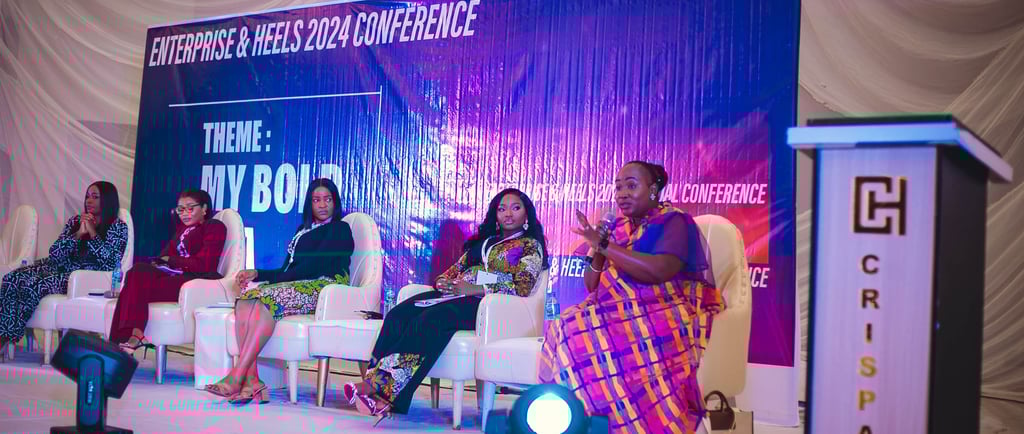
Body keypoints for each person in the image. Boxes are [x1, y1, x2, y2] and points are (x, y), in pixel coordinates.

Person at [539, 161, 723, 434]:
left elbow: (659, 271)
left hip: (663, 308)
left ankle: (620, 422)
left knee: (579, 332)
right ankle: (575, 420)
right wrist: (599, 247)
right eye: (618, 187)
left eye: (631, 186)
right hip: (616, 307)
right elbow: (591, 284)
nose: (622, 193)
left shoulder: (674, 221)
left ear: (653, 190)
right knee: (565, 324)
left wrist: (605, 245)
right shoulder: (617, 228)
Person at [344, 188, 550, 425]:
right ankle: (377, 392)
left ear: (526, 214)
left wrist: (476, 289)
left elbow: (522, 286)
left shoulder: (529, 245)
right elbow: (454, 271)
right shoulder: (484, 243)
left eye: (515, 208)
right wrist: (443, 282)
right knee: (399, 314)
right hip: (456, 295)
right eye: (502, 209)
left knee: (431, 319)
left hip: (488, 305)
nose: (508, 214)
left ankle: (377, 388)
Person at [204, 178, 355, 404]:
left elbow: (315, 266)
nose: (323, 205)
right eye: (317, 200)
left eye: (328, 199)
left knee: (266, 295)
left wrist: (272, 284)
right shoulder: (302, 230)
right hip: (296, 284)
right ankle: (253, 381)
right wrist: (257, 273)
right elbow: (287, 270)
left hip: (324, 287)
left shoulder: (340, 229)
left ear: (335, 202)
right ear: (309, 203)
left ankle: (237, 376)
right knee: (245, 299)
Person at [0, 182, 129, 353]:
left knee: (34, 284)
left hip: (82, 278)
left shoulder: (118, 227)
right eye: (87, 196)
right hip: (57, 267)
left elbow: (110, 262)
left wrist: (92, 233)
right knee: (12, 278)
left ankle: (5, 337)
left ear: (107, 200)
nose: (89, 201)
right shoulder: (76, 221)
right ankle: (4, 333)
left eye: (95, 197)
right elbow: (55, 253)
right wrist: (78, 234)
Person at [108, 188, 226, 351]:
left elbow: (205, 264)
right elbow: (164, 255)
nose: (184, 214)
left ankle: (120, 341)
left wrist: (171, 260)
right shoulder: (182, 229)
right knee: (138, 270)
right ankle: (134, 336)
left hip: (195, 281)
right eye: (180, 209)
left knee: (133, 288)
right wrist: (161, 262)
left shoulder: (213, 226)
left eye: (190, 208)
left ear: (204, 208)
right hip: (174, 276)